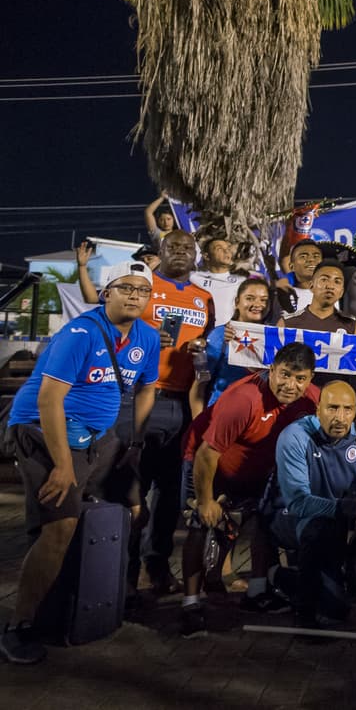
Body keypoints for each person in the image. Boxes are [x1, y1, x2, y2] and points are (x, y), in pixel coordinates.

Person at [2, 261, 161, 665]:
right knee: (60, 528)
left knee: (128, 509)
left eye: (142, 290)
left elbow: (147, 389)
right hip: (43, 430)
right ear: (106, 292)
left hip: (97, 437)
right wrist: (61, 464)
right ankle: (18, 626)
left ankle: (94, 600)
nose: (134, 296)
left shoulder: (148, 336)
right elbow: (48, 400)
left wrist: (134, 437)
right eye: (125, 288)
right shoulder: (80, 333)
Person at [176, 343, 325, 636]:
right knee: (200, 524)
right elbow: (207, 453)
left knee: (263, 521)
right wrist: (206, 501)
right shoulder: (244, 399)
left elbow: (337, 418)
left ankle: (257, 592)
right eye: (284, 375)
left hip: (257, 467)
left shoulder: (312, 398)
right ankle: (190, 602)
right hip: (208, 462)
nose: (290, 385)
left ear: (310, 379)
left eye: (300, 378)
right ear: (271, 370)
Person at [136, 230, 214, 594]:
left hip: (183, 401)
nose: (181, 252)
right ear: (161, 251)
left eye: (188, 248)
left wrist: (202, 351)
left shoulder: (204, 299)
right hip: (141, 396)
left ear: (196, 255)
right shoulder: (143, 285)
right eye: (173, 247)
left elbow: (206, 352)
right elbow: (116, 326)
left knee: (169, 494)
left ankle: (156, 563)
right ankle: (122, 568)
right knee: (132, 487)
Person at [268, 381, 356, 628]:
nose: (340, 417)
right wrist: (351, 509)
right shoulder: (294, 437)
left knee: (336, 609)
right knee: (320, 529)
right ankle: (304, 615)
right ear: (318, 410)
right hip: (289, 516)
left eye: (347, 409)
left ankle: (283, 577)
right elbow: (298, 502)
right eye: (332, 408)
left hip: (332, 518)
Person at [196, 277, 271, 407]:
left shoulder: (273, 338)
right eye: (250, 298)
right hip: (219, 412)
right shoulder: (220, 335)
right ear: (237, 302)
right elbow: (199, 386)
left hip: (256, 415)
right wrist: (199, 424)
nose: (258, 304)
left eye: (263, 300)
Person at [281, 258, 356, 334]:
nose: (330, 286)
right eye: (324, 279)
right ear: (311, 286)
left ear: (341, 292)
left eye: (337, 282)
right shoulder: (287, 323)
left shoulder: (353, 326)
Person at [190, 238, 246, 327]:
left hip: (227, 334)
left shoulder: (242, 281)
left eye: (228, 249)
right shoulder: (192, 277)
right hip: (198, 332)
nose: (226, 252)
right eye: (219, 249)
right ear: (206, 256)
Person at [274, 239, 322, 316]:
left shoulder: (336, 292)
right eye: (303, 256)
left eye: (316, 256)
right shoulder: (281, 296)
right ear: (291, 266)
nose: (311, 259)